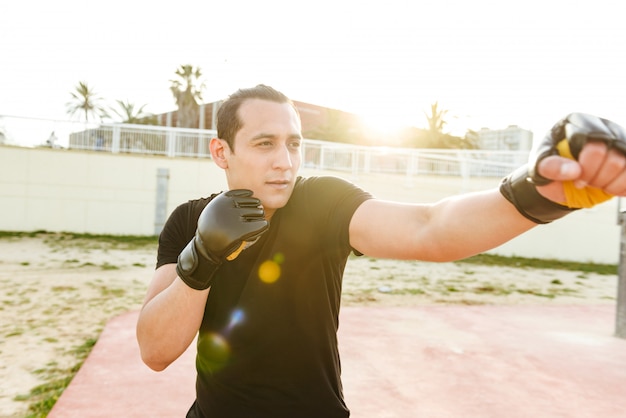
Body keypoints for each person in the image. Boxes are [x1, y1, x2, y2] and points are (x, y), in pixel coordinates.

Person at [136, 84, 626, 417]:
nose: (284, 162)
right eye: (265, 143)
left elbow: (428, 228)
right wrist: (203, 255)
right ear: (221, 152)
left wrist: (537, 192)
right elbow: (155, 350)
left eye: (294, 143)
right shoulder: (187, 220)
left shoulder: (321, 201)